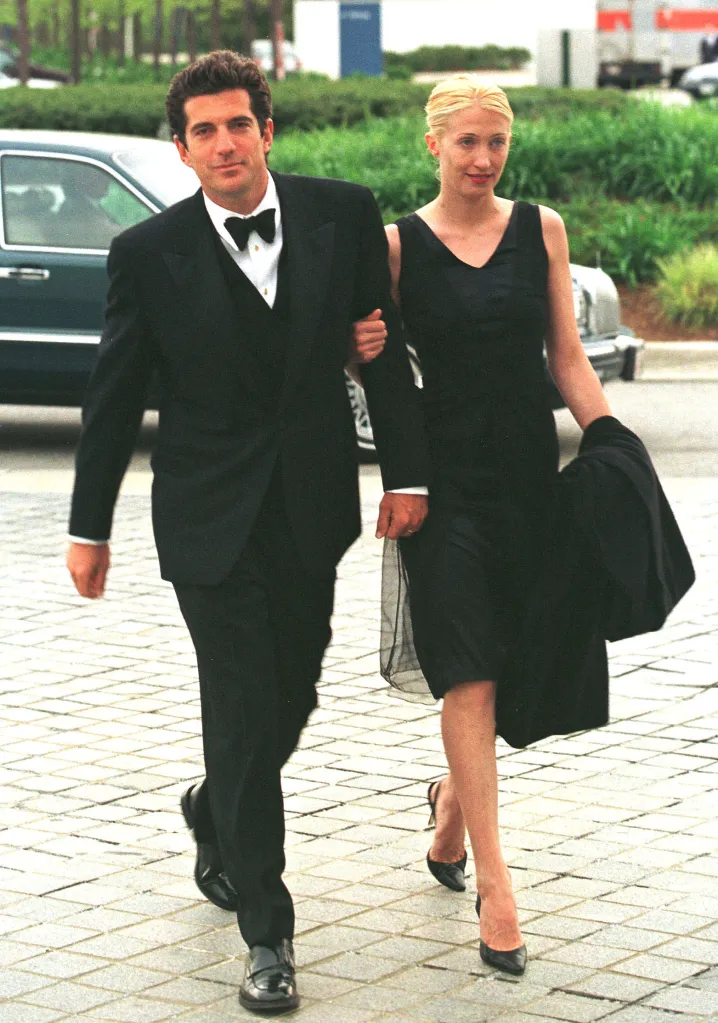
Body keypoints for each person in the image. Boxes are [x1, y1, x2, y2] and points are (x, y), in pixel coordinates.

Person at [66, 50, 430, 1014]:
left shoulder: (341, 213)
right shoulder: (146, 254)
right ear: (181, 150)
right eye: (204, 131)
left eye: (239, 124)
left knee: (290, 698)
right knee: (237, 706)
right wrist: (87, 527)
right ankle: (267, 933)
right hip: (206, 518)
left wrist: (409, 474)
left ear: (267, 130)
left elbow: (380, 345)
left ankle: (212, 805)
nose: (224, 143)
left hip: (311, 509)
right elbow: (112, 398)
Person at [350, 74, 616, 976]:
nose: (482, 159)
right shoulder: (395, 246)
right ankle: (498, 887)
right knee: (467, 669)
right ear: (433, 145)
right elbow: (375, 373)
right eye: (465, 142)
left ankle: (450, 809)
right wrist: (363, 355)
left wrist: (611, 439)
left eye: (495, 143)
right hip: (442, 488)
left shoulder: (541, 227)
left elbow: (564, 356)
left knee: (508, 656)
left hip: (525, 479)